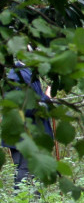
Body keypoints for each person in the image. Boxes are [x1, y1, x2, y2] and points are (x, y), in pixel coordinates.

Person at [2, 62, 53, 191]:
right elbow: (26, 108)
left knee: (30, 176)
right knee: (26, 175)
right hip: (25, 136)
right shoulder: (19, 76)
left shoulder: (26, 74)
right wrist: (47, 99)